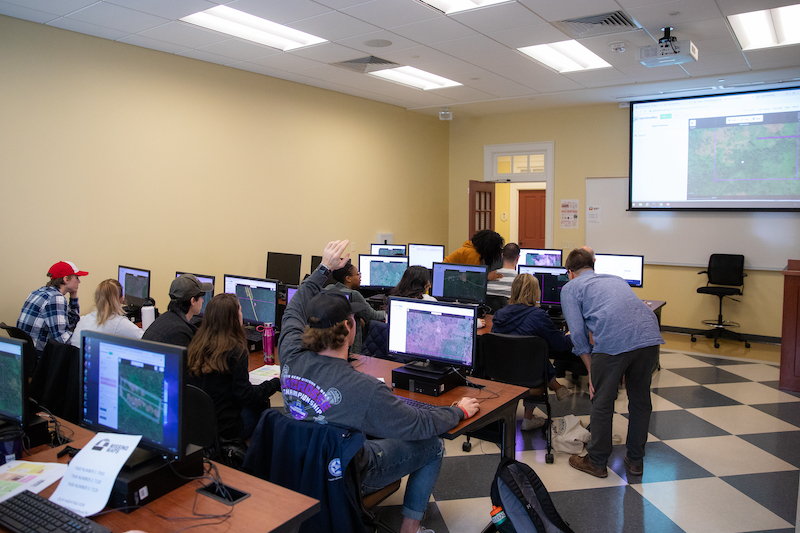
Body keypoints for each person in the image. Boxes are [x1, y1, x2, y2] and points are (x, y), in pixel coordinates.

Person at [279, 239, 480, 533]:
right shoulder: (362, 387)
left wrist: (323, 268)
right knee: (433, 446)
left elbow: (294, 307)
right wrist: (457, 412)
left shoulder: (290, 354)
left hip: (300, 465)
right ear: (350, 328)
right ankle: (410, 528)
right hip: (347, 471)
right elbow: (417, 424)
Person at [560, 247, 664, 479]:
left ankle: (596, 461)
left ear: (570, 272)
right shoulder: (615, 279)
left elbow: (577, 335)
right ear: (593, 265)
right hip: (649, 336)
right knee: (640, 401)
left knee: (602, 402)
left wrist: (591, 372)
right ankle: (636, 461)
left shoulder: (571, 287)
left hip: (614, 342)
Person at [187, 293, 281, 463]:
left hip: (199, 426)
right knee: (266, 412)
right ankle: (253, 464)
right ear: (233, 317)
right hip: (226, 429)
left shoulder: (196, 344)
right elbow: (246, 396)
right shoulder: (235, 350)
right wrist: (275, 382)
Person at [491, 274, 582, 430]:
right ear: (534, 292)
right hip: (530, 378)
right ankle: (530, 415)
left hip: (501, 375)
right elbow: (560, 345)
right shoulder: (538, 316)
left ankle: (553, 387)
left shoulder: (499, 315)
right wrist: (570, 336)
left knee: (528, 352)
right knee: (534, 355)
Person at [18, 261, 89, 355]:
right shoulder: (55, 298)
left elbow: (72, 323)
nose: (79, 281)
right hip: (40, 358)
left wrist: (73, 296)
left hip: (27, 355)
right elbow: (62, 339)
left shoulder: (39, 292)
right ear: (66, 279)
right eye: (76, 278)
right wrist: (88, 342)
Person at [325, 259, 385, 355]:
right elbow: (372, 316)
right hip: (351, 348)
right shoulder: (353, 294)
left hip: (330, 342)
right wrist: (387, 312)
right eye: (357, 274)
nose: (360, 277)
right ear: (348, 278)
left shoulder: (329, 288)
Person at [142, 274, 212, 347]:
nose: (203, 300)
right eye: (201, 297)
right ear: (193, 301)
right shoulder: (180, 333)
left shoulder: (165, 318)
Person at [70, 279, 144, 346]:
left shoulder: (83, 320)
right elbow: (146, 339)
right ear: (121, 299)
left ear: (96, 298)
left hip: (76, 360)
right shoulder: (119, 323)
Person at [485, 243, 520, 312]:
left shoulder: (490, 277)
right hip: (509, 318)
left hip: (489, 318)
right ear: (518, 258)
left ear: (502, 255)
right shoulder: (520, 280)